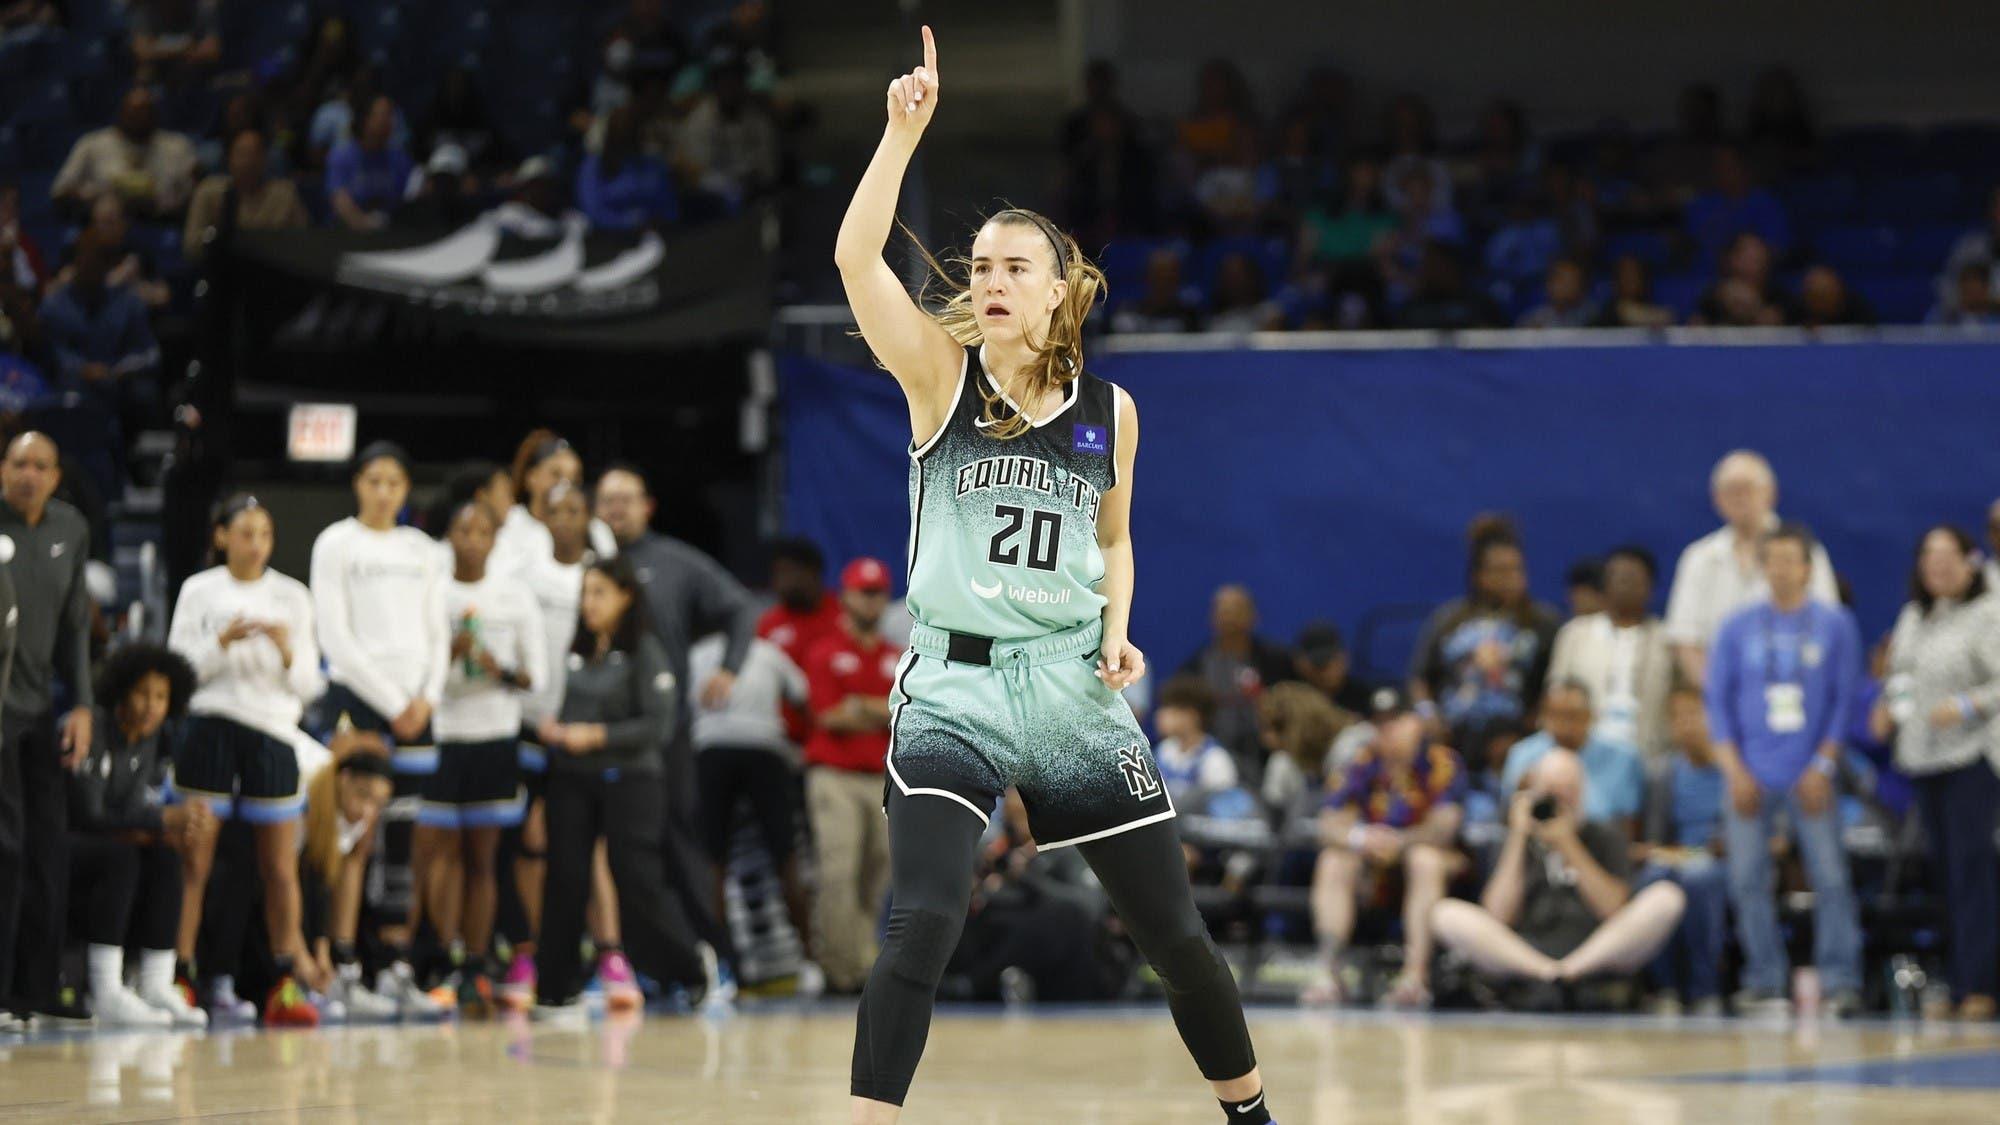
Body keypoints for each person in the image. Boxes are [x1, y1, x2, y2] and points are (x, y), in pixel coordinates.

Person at [833, 29, 1270, 1122]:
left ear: (1058, 287)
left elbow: (1112, 540)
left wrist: (1120, 626)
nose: (986, 282)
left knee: (1172, 933)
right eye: (976, 267)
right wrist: (898, 138)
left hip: (1072, 687)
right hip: (956, 686)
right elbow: (853, 263)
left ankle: (1253, 1116)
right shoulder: (938, 378)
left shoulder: (1106, 415)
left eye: (1010, 267)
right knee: (923, 922)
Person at [168, 494, 329, 1025]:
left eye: (264, 533)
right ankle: (181, 976)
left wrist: (286, 650)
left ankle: (284, 980)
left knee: (280, 868)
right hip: (211, 725)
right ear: (222, 537)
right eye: (245, 532)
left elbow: (308, 684)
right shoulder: (199, 590)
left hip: (272, 733)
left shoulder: (292, 596)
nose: (256, 543)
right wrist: (221, 641)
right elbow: (177, 671)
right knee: (195, 863)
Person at [532, 557, 714, 1014]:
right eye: (585, 593)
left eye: (599, 593)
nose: (589, 604)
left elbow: (658, 724)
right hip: (573, 776)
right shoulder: (576, 653)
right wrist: (555, 727)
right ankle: (556, 987)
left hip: (631, 777)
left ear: (625, 596)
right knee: (566, 875)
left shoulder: (645, 651)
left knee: (635, 875)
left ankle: (691, 967)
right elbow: (558, 705)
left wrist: (597, 736)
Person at [308, 441, 449, 1017]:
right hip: (359, 702)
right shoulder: (336, 542)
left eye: (395, 481)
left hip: (417, 707)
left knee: (403, 841)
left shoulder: (423, 550)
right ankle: (342, 965)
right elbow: (334, 634)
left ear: (407, 489)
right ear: (357, 484)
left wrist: (427, 697)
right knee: (353, 837)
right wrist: (392, 701)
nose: (384, 491)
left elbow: (437, 630)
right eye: (374, 480)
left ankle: (394, 964)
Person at [1705, 522, 1864, 1017]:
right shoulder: (1736, 626)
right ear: (1761, 565)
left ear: (1807, 567)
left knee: (1830, 877)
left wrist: (1822, 764)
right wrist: (1733, 769)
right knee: (1747, 879)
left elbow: (1843, 702)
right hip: (1750, 771)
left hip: (1810, 772)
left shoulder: (1835, 624)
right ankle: (1765, 979)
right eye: (1770, 559)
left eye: (1789, 559)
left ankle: (1840, 979)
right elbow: (1718, 704)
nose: (1779, 569)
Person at [502, 481, 627, 1011]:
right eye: (556, 511)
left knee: (591, 846)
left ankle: (610, 955)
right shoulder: (524, 577)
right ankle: (531, 951)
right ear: (543, 518)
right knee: (532, 839)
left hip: (583, 727)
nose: (567, 520)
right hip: (533, 722)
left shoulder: (599, 577)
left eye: (577, 510)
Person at [1431, 750, 1685, 1009]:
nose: (1562, 799)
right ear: (1534, 792)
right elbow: (1498, 914)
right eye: (1553, 790)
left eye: (1569, 790)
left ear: (1583, 793)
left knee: (1666, 897)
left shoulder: (1605, 835)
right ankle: (1550, 973)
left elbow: (1612, 909)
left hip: (1596, 947)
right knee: (1445, 913)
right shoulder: (1517, 839)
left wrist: (1569, 845)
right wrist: (1518, 837)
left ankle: (1570, 971)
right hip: (1526, 950)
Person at [1872, 526, 2000, 1020]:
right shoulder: (1914, 617)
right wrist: (1887, 705)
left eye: (1950, 557)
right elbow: (1900, 674)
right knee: (1941, 875)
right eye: (1931, 557)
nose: (1940, 566)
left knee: (1974, 874)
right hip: (1923, 760)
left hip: (1972, 760)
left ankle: (1981, 986)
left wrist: (1967, 703)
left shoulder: (1987, 614)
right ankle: (1954, 982)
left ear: (1971, 564)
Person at [425, 500, 545, 1014]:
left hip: (495, 733)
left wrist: (496, 667)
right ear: (448, 536)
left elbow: (532, 676)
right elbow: (416, 663)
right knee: (439, 854)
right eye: (462, 528)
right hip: (443, 730)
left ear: (496, 539)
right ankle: (440, 956)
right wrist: (445, 655)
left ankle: (476, 962)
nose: (472, 538)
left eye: (482, 530)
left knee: (483, 857)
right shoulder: (432, 594)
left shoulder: (514, 597)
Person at [66, 643, 214, 1027]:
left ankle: (155, 983)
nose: (152, 706)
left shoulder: (150, 741)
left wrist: (166, 825)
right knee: (123, 857)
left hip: (108, 840)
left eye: (161, 697)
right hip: (65, 842)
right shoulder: (95, 728)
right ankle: (105, 990)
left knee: (166, 856)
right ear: (121, 692)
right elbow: (89, 813)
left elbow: (134, 810)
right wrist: (160, 820)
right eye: (143, 694)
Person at [0, 432, 95, 1029]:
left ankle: (37, 992)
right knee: (5, 849)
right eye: (18, 464)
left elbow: (75, 626)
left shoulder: (70, 530)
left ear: (56, 476)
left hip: (40, 709)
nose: (29, 474)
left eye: (41, 466)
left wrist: (83, 703)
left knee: (47, 849)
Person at [1306, 687, 1466, 1009]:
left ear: (1416, 722)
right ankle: (1328, 974)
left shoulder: (1442, 762)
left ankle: (1414, 978)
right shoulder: (1363, 762)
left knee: (1425, 860)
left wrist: (1400, 842)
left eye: (1395, 721)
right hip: (1372, 869)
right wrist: (1360, 839)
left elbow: (1444, 827)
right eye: (1379, 724)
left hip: (1430, 863)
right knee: (1333, 860)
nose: (1387, 731)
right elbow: (1328, 823)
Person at [691, 624, 812, 989]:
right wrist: (802, 747)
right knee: (786, 853)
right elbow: (804, 697)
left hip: (712, 751)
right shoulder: (769, 652)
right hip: (765, 749)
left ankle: (719, 962)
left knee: (712, 859)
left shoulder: (698, 653)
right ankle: (810, 961)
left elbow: (682, 705)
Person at [801, 558, 902, 995]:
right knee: (838, 871)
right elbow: (829, 716)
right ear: (845, 595)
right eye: (863, 591)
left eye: (878, 591)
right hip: (834, 776)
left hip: (880, 777)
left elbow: (906, 713)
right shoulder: (825, 651)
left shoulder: (894, 657)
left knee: (876, 872)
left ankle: (860, 961)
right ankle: (837, 970)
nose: (871, 599)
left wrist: (863, 706)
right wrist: (877, 709)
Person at [1665, 451, 1837, 688]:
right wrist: (1721, 697)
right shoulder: (1699, 558)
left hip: (1796, 694)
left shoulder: (1807, 551)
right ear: (1717, 499)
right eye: (1730, 490)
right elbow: (1685, 640)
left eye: (1747, 488)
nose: (1739, 498)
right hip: (1719, 697)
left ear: (1771, 493)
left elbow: (1826, 629)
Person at [1408, 515, 1561, 775]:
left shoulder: (1542, 622)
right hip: (1450, 736)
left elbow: (1553, 686)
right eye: (1502, 571)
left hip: (1513, 740)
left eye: (1518, 569)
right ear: (1481, 576)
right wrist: (1428, 715)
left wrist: (1525, 735)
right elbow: (1420, 677)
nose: (1513, 578)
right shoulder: (1450, 619)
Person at [1632, 687, 1730, 1016]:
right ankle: (1665, 987)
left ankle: (1705, 988)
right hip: (1679, 858)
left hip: (1723, 864)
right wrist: (1655, 851)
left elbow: (1768, 837)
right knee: (1654, 877)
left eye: (1695, 714)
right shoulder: (1663, 773)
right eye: (1678, 717)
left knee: (1699, 879)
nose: (1687, 725)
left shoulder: (1735, 771)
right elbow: (1655, 838)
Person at [299, 740, 398, 1021]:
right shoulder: (307, 795)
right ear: (344, 779)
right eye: (363, 796)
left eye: (377, 804)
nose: (368, 811)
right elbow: (285, 884)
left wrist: (324, 953)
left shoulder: (354, 815)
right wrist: (300, 956)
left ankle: (338, 969)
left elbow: (324, 881)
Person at [1548, 546, 1674, 763]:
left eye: (1633, 578)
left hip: (1649, 756)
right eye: (1617, 577)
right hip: (1583, 754)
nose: (1624, 585)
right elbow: (1555, 694)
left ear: (1650, 586)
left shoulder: (1667, 641)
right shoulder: (1575, 633)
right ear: (1604, 584)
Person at [1499, 680, 1646, 835]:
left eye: (1573, 716)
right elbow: (1510, 818)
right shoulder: (1523, 754)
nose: (1564, 725)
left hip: (1601, 849)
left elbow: (1628, 825)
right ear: (1542, 715)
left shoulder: (1624, 758)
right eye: (1556, 715)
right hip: (1538, 844)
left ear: (1591, 715)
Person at [1179, 584, 1297, 767]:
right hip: (1214, 761)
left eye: (1236, 610)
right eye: (1223, 610)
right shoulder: (1195, 667)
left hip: (1267, 758)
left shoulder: (1277, 661)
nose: (1229, 617)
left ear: (1254, 616)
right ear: (1212, 617)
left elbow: (1293, 708)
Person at [50, 87, 198, 219]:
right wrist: (94, 199)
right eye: (133, 111)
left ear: (155, 114)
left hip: (163, 221)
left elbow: (194, 193)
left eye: (145, 111)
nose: (139, 117)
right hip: (105, 223)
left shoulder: (177, 146)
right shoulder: (92, 144)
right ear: (121, 113)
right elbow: (61, 192)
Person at [183, 129, 309, 265]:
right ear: (229, 158)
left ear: (264, 159)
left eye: (254, 154)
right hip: (223, 273)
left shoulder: (285, 195)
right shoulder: (209, 191)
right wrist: (215, 237)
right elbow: (190, 246)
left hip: (273, 274)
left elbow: (304, 244)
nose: (248, 161)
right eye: (242, 154)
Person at [1150, 676, 1238, 811]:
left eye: (1170, 709)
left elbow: (1223, 813)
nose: (1160, 715)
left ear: (1192, 716)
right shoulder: (1164, 751)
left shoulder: (1215, 760)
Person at [327, 96, 414, 231]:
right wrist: (367, 225)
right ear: (364, 120)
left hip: (394, 234)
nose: (388, 121)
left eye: (390, 115)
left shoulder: (400, 158)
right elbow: (340, 201)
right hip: (350, 234)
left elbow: (410, 199)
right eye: (383, 115)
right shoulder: (342, 156)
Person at [1293, 621, 1373, 716]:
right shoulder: (1291, 700)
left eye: (1329, 661)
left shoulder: (1366, 697)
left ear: (1344, 658)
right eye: (1317, 664)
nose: (1323, 672)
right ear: (1300, 663)